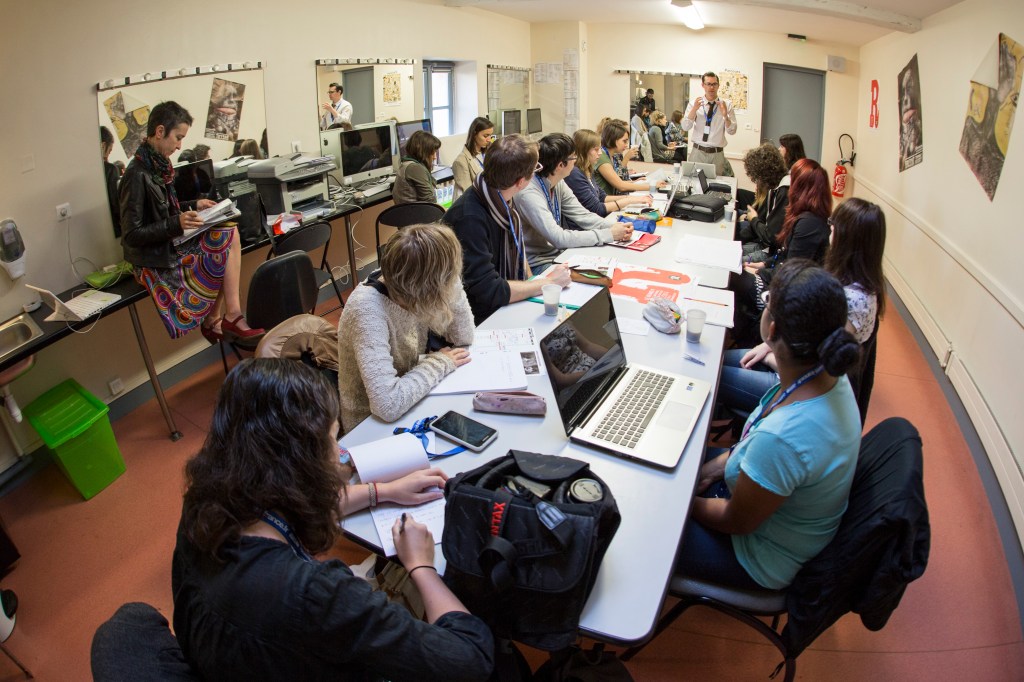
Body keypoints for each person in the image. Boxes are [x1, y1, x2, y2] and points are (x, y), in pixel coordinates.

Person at [172, 358, 494, 680]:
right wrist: (421, 565)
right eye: (332, 439)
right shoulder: (314, 593)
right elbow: (470, 659)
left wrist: (381, 491)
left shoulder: (204, 505)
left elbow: (295, 502)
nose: (340, 455)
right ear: (303, 459)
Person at [677, 260, 862, 591]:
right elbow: (752, 448)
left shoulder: (783, 438)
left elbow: (735, 520)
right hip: (767, 509)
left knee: (638, 517)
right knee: (671, 461)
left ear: (772, 330)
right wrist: (712, 470)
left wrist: (679, 500)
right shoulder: (826, 375)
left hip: (756, 555)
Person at [720, 198, 887, 414]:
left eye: (833, 225)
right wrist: (768, 347)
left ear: (847, 237)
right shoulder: (850, 280)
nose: (829, 228)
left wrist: (771, 356)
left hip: (799, 386)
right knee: (718, 360)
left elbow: (818, 372)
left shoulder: (853, 300)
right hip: (789, 362)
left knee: (714, 374)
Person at [119, 101, 261, 342]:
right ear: (160, 131)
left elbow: (164, 209)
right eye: (178, 138)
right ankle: (226, 318)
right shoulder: (135, 175)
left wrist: (194, 205)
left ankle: (224, 316)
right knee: (225, 242)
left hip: (167, 242)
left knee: (230, 231)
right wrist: (177, 223)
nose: (179, 146)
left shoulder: (158, 166)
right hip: (152, 259)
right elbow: (131, 235)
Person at [336, 224, 474, 432]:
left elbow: (464, 336)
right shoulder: (367, 309)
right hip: (369, 424)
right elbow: (387, 405)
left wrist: (449, 279)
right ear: (426, 286)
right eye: (447, 277)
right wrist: (440, 362)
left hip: (413, 393)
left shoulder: (411, 287)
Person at [443, 134, 571, 324]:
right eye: (536, 168)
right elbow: (488, 291)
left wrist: (534, 284)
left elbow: (518, 250)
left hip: (499, 305)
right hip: (478, 319)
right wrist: (549, 283)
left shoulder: (496, 195)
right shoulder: (469, 219)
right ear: (520, 182)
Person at [732, 159, 832, 345]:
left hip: (779, 293)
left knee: (731, 276)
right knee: (734, 271)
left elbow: (790, 271)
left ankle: (745, 339)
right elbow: (784, 254)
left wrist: (760, 272)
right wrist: (763, 264)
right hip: (777, 279)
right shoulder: (808, 218)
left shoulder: (808, 224)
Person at [517, 133, 633, 271]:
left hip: (559, 254)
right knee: (600, 276)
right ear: (561, 165)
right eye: (573, 157)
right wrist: (609, 234)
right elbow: (558, 238)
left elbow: (583, 215)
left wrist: (616, 227)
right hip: (538, 263)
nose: (576, 160)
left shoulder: (557, 182)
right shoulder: (529, 193)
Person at [564, 129, 651, 229]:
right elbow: (597, 209)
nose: (600, 153)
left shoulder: (588, 169)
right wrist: (629, 200)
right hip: (583, 229)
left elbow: (602, 197)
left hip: (596, 223)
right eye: (596, 149)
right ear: (584, 151)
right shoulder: (575, 174)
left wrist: (633, 199)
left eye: (600, 149)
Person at [736, 143, 789, 263]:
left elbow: (771, 237)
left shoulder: (784, 192)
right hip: (764, 245)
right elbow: (757, 226)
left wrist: (753, 219)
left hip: (772, 254)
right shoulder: (774, 187)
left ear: (763, 174)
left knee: (733, 260)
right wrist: (733, 239)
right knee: (729, 250)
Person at [681, 71, 737, 177]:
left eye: (714, 84)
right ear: (703, 85)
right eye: (708, 84)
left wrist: (725, 116)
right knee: (693, 181)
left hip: (717, 154)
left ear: (718, 85)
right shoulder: (694, 104)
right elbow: (685, 127)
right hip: (698, 152)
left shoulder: (726, 105)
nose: (712, 87)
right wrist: (694, 110)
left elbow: (732, 131)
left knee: (715, 183)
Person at [593, 119, 657, 196]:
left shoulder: (610, 156)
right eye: (624, 141)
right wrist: (652, 187)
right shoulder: (601, 157)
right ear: (614, 140)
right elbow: (621, 186)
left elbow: (619, 182)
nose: (626, 145)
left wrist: (635, 182)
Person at [393, 130, 441, 204]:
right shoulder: (415, 168)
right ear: (423, 153)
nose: (435, 157)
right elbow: (430, 201)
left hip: (410, 210)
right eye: (432, 153)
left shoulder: (407, 164)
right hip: (417, 211)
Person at [452, 117, 494, 193]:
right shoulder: (460, 161)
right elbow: (468, 194)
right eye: (485, 136)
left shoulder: (487, 153)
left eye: (490, 136)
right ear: (474, 134)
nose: (489, 139)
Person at [100, 126, 121, 237]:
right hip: (112, 228)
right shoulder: (111, 169)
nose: (108, 155)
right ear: (103, 146)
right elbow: (116, 203)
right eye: (109, 151)